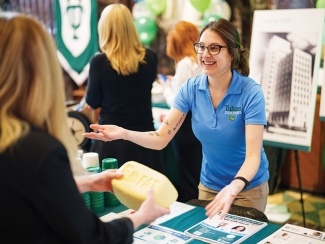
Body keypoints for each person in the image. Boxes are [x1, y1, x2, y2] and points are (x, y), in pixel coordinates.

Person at [0, 12, 170, 243]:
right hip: (142, 140)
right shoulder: (40, 151)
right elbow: (92, 237)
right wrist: (141, 217)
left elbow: (26, 189)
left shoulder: (22, 144)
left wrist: (85, 182)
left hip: (111, 141)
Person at [83, 18, 269, 219]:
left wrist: (234, 186)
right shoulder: (191, 88)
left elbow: (253, 156)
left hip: (247, 188)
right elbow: (161, 137)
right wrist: (124, 133)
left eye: (214, 48)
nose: (205, 54)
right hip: (209, 186)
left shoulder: (250, 92)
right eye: (201, 47)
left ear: (232, 53)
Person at [85, 3, 164, 172]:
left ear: (104, 29)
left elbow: (93, 101)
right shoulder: (150, 58)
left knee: (110, 197)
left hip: (110, 143)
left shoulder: (99, 62)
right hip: (144, 141)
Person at [158, 20, 202, 202]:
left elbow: (177, 102)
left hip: (185, 127)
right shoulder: (201, 61)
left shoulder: (185, 63)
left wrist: (166, 87)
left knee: (188, 178)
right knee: (197, 175)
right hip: (200, 124)